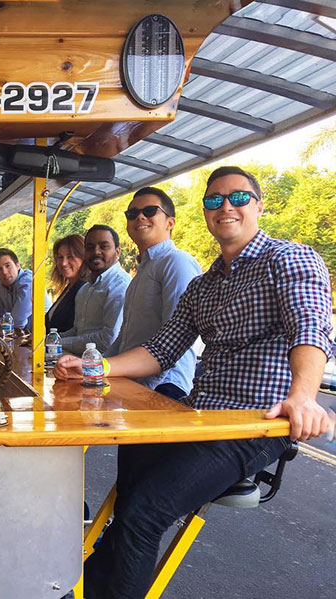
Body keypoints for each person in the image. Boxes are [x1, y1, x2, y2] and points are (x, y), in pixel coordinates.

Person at [54, 166, 333, 599]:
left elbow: (310, 327)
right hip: (198, 416)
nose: (226, 206)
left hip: (253, 423)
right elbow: (160, 350)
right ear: (203, 211)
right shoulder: (203, 285)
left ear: (258, 206)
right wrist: (95, 368)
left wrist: (303, 398)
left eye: (238, 198)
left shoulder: (289, 258)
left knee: (144, 512)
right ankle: (88, 585)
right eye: (214, 199)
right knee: (128, 495)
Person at [108, 187, 202, 400]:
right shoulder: (141, 272)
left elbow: (177, 338)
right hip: (132, 384)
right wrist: (91, 366)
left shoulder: (176, 262)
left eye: (150, 211)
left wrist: (152, 391)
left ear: (170, 223)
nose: (140, 216)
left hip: (165, 387)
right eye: (132, 214)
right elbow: (124, 338)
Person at [59, 225, 130, 355]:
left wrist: (57, 343)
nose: (96, 252)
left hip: (104, 369)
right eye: (90, 248)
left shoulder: (121, 285)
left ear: (117, 251)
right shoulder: (85, 289)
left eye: (104, 246)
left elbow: (108, 340)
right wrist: (48, 339)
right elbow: (77, 331)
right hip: (78, 364)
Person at [46, 234, 87, 333]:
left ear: (83, 258)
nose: (63, 263)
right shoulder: (69, 287)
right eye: (60, 257)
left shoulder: (85, 288)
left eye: (70, 257)